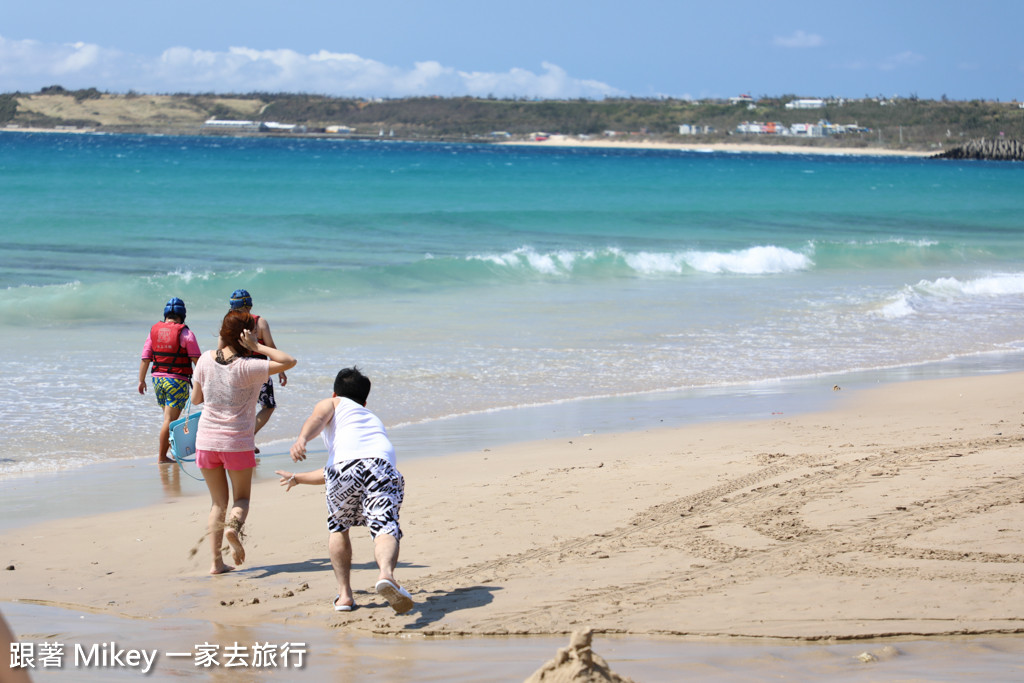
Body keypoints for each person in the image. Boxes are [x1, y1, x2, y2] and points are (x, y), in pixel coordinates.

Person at [276, 367, 413, 614]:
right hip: (381, 466)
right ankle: (386, 575)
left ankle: (345, 596)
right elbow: (349, 465)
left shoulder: (333, 403)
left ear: (334, 393)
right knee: (384, 526)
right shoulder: (371, 418)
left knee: (339, 527)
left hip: (344, 471)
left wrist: (302, 439)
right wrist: (298, 478)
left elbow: (336, 461)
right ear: (365, 400)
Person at [192, 310, 297, 575]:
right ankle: (233, 528)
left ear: (222, 334)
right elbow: (289, 361)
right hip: (236, 442)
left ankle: (216, 563)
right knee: (241, 499)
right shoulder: (249, 367)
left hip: (206, 440)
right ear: (246, 335)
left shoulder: (204, 360)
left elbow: (196, 400)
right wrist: (258, 346)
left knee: (218, 504)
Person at [138, 297, 202, 464]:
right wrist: (206, 379)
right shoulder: (186, 334)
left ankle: (173, 452)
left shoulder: (153, 332)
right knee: (170, 420)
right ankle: (161, 457)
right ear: (183, 315)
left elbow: (145, 358)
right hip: (176, 381)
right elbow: (198, 361)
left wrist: (141, 380)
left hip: (157, 380)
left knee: (168, 418)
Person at [224, 289, 287, 450]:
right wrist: (281, 369)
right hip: (259, 370)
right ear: (250, 305)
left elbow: (222, 350)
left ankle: (237, 440)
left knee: (241, 408)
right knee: (268, 407)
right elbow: (271, 347)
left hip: (237, 370)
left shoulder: (229, 323)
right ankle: (248, 437)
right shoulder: (260, 322)